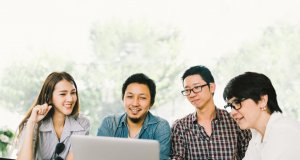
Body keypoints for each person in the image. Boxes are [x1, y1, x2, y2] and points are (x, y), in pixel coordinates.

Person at [171, 65, 251, 160]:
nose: (191, 94)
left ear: (212, 87)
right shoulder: (180, 127)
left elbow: (250, 155)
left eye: (196, 87)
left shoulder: (235, 120)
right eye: (187, 90)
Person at [223, 72, 300, 160]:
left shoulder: (285, 132)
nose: (232, 113)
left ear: (262, 100)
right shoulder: (257, 137)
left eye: (237, 103)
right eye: (230, 106)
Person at [17, 72, 90, 160]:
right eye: (63, 94)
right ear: (49, 97)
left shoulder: (82, 123)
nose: (70, 99)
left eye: (73, 93)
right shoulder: (33, 123)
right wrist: (31, 123)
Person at [97, 73, 171, 160]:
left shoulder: (160, 127)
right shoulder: (109, 123)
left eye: (142, 98)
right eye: (130, 96)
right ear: (123, 98)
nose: (135, 103)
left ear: (151, 102)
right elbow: (99, 157)